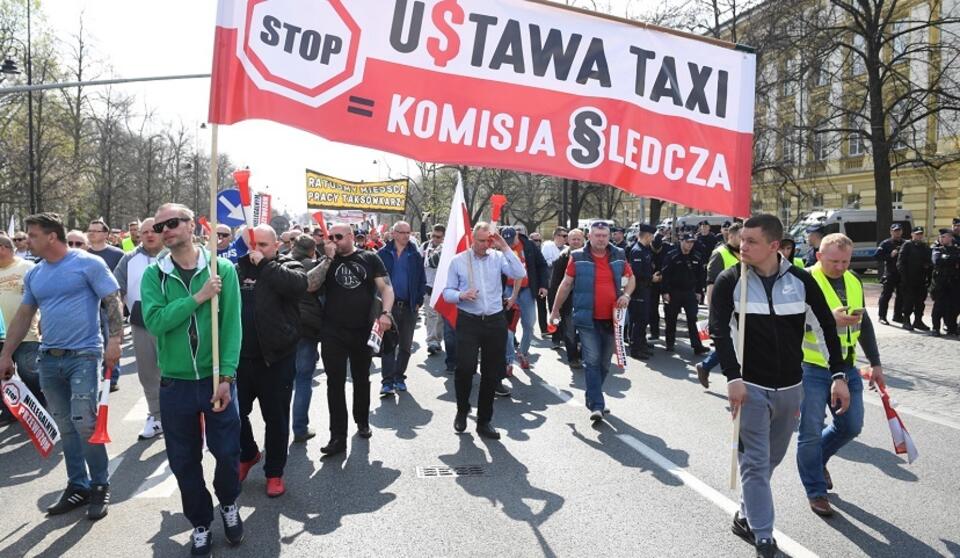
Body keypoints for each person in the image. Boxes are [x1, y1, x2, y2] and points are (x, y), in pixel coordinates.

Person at [710, 214, 845, 558]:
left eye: (751, 241)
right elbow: (719, 332)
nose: (743, 246)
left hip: (790, 388)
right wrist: (733, 377)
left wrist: (839, 375)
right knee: (754, 462)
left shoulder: (800, 280)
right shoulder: (730, 281)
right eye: (742, 239)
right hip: (750, 387)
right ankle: (764, 535)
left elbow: (827, 328)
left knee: (771, 458)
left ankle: (746, 513)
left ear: (774, 246)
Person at [0, 212, 124, 521]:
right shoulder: (36, 274)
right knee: (65, 426)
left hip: (84, 354)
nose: (27, 241)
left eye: (33, 235)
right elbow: (24, 315)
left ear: (51, 236)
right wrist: (5, 354)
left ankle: (99, 485)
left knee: (84, 423)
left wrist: (116, 341)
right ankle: (77, 486)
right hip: (49, 358)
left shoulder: (87, 263)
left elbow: (112, 299)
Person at [140, 203, 244, 555]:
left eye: (172, 223)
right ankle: (200, 522)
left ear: (190, 225)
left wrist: (227, 377)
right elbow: (154, 322)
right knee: (183, 460)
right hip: (175, 383)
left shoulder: (222, 269)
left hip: (216, 380)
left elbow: (231, 327)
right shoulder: (155, 274)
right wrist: (197, 297)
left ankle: (228, 503)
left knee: (228, 453)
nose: (165, 230)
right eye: (159, 226)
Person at [797, 233, 884, 517]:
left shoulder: (853, 280)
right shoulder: (802, 281)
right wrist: (826, 319)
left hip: (847, 366)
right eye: (834, 261)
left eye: (846, 261)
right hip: (811, 366)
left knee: (851, 426)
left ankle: (817, 460)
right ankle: (816, 490)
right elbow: (787, 326)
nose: (841, 267)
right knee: (810, 432)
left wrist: (876, 362)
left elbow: (865, 324)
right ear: (819, 256)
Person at [234, 224, 307, 497]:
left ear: (276, 246)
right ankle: (248, 453)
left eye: (263, 245)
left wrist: (265, 265)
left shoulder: (288, 266)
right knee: (235, 415)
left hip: (276, 358)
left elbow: (299, 286)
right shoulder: (234, 269)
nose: (257, 250)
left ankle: (274, 472)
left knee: (275, 418)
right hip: (239, 358)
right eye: (252, 245)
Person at [443, 222, 525, 439]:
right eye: (479, 240)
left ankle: (485, 421)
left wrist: (505, 247)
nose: (483, 244)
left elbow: (519, 272)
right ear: (472, 238)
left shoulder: (498, 258)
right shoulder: (458, 261)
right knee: (465, 368)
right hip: (469, 321)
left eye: (487, 240)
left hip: (495, 320)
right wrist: (461, 295)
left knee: (491, 372)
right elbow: (447, 292)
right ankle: (462, 410)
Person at [318, 224, 394, 456]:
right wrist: (328, 260)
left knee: (362, 379)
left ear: (351, 237)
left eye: (338, 237)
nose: (334, 241)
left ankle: (362, 421)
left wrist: (386, 313)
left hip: (362, 329)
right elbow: (311, 286)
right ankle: (337, 436)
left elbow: (386, 288)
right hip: (332, 331)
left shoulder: (369, 258)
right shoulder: (325, 260)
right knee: (335, 383)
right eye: (330, 237)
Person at [551, 222, 634, 421]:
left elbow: (630, 278)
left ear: (609, 236)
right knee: (592, 360)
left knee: (605, 363)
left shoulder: (619, 255)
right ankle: (597, 404)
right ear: (590, 236)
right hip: (587, 319)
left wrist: (627, 295)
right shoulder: (578, 257)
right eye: (597, 235)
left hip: (612, 319)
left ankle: (592, 395)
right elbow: (566, 284)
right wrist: (554, 310)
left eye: (604, 235)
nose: (601, 239)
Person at [112, 218, 166, 440]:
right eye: (144, 232)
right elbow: (115, 290)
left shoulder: (173, 254)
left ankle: (181, 416)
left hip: (173, 320)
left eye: (153, 231)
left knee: (175, 371)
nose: (149, 235)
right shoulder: (129, 258)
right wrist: (116, 326)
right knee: (148, 372)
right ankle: (156, 416)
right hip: (141, 321)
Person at [290, 235, 331, 443]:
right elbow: (313, 286)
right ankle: (299, 428)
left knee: (284, 381)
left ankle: (280, 429)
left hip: (284, 328)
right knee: (303, 379)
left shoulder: (280, 263)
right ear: (312, 250)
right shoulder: (311, 266)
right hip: (306, 329)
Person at [377, 221, 426, 396]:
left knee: (405, 345)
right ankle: (387, 382)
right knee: (388, 344)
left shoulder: (415, 255)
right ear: (394, 233)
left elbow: (422, 279)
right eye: (402, 232)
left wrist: (418, 300)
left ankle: (399, 377)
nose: (406, 235)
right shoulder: (382, 253)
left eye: (408, 232)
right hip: (388, 308)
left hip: (409, 306)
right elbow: (375, 281)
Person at [0, 234, 43, 428]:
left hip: (26, 333)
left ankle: (40, 408)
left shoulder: (27, 268)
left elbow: (42, 297)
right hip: (1, 334)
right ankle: (9, 411)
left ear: (3, 248)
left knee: (29, 372)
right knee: (3, 375)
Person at [695, 223, 742, 387]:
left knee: (738, 342)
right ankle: (709, 367)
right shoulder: (719, 254)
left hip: (742, 306)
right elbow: (711, 284)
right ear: (731, 236)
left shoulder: (743, 254)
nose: (743, 241)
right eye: (740, 237)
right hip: (725, 307)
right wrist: (713, 312)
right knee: (730, 342)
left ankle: (706, 365)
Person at [501, 226, 548, 372]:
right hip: (508, 288)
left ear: (517, 235)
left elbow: (542, 265)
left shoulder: (529, 245)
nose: (509, 244)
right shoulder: (499, 248)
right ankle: (508, 359)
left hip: (527, 289)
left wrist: (543, 285)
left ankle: (523, 352)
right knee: (508, 326)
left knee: (529, 324)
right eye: (506, 241)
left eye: (511, 240)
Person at [87, 219, 126, 392]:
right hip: (89, 305)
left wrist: (122, 304)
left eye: (96, 230)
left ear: (105, 234)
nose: (92, 233)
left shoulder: (117, 254)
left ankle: (112, 376)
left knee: (112, 340)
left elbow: (123, 280)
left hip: (109, 305)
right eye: (89, 230)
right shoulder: (84, 254)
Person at [660, 233, 709, 354]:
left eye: (692, 242)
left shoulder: (697, 256)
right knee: (671, 319)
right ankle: (670, 343)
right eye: (687, 242)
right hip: (674, 292)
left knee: (693, 319)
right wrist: (665, 292)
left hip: (689, 292)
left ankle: (697, 345)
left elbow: (701, 276)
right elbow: (665, 275)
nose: (690, 245)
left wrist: (699, 291)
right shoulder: (672, 256)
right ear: (681, 241)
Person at [550, 228, 585, 368]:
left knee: (586, 330)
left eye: (578, 239)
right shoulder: (562, 257)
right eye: (573, 239)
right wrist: (555, 306)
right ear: (568, 240)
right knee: (570, 330)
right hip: (568, 301)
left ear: (583, 239)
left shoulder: (590, 255)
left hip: (586, 300)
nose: (576, 242)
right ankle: (572, 358)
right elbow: (555, 283)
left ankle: (583, 355)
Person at [627, 224, 658, 360]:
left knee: (643, 319)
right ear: (647, 235)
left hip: (645, 289)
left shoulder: (645, 250)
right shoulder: (637, 251)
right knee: (639, 320)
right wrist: (652, 278)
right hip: (639, 290)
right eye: (652, 236)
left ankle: (641, 344)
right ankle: (636, 348)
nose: (653, 238)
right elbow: (636, 273)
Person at [897, 226, 933, 331]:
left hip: (921, 279)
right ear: (912, 235)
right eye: (917, 234)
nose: (919, 236)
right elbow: (900, 263)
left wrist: (927, 268)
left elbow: (929, 261)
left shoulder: (925, 247)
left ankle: (918, 321)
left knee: (920, 302)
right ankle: (906, 320)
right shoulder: (907, 245)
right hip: (909, 279)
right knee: (908, 302)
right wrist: (904, 278)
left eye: (921, 234)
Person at [422, 224, 446, 355]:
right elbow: (418, 262)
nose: (435, 239)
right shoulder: (425, 246)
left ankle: (437, 340)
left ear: (443, 237)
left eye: (438, 237)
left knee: (440, 316)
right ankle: (431, 341)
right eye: (433, 236)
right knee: (431, 314)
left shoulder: (447, 249)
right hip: (428, 285)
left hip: (442, 286)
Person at [930, 228, 959, 337]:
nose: (941, 239)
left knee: (954, 307)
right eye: (940, 237)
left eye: (944, 237)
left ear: (951, 237)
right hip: (940, 283)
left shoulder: (956, 249)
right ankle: (936, 328)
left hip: (954, 283)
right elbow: (937, 261)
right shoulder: (937, 249)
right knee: (939, 307)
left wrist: (948, 258)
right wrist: (953, 260)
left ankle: (951, 327)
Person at [875, 223, 905, 325]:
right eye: (895, 231)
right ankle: (882, 316)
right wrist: (889, 255)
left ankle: (897, 316)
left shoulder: (905, 243)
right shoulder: (886, 243)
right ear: (891, 232)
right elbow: (877, 256)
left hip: (901, 274)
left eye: (899, 230)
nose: (897, 232)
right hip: (890, 273)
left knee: (901, 296)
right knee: (886, 295)